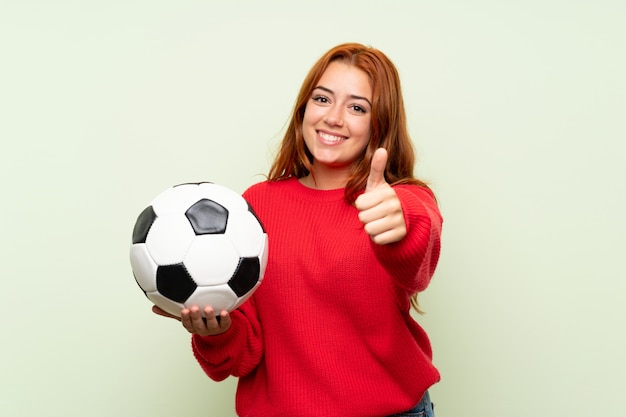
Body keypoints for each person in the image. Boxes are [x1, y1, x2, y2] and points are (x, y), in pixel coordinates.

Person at [154, 42, 442, 417]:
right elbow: (242, 357)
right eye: (323, 99)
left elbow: (417, 256)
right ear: (303, 109)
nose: (334, 117)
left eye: (357, 107)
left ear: (379, 123)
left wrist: (400, 221)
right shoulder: (255, 206)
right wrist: (215, 332)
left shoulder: (401, 200)